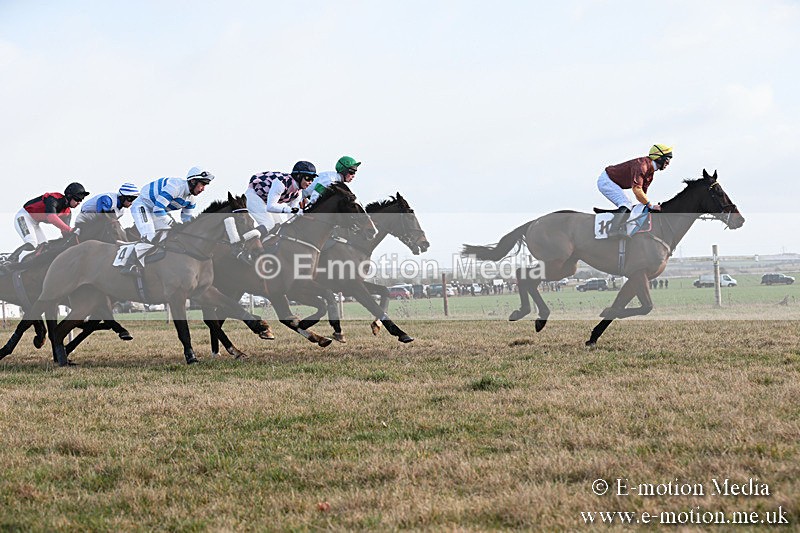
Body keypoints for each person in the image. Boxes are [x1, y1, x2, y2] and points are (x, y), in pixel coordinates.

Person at [123, 167, 213, 275]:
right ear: (193, 181)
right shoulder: (175, 187)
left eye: (205, 185)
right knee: (149, 235)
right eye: (202, 184)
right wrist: (172, 223)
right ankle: (129, 263)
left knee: (168, 234)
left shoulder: (191, 200)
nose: (203, 189)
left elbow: (186, 219)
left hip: (157, 211)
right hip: (143, 205)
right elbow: (158, 209)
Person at [5, 182, 90, 266]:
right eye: (77, 199)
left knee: (44, 247)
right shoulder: (53, 199)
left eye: (81, 200)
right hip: (23, 217)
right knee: (32, 243)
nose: (79, 202)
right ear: (69, 196)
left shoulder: (67, 213)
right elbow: (51, 217)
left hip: (34, 223)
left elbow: (65, 232)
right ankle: (8, 261)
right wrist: (70, 230)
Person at [597, 144, 673, 238]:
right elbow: (637, 190)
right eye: (667, 159)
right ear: (659, 158)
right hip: (607, 180)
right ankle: (613, 230)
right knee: (626, 202)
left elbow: (642, 195)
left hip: (613, 182)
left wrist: (648, 207)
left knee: (630, 204)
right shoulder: (642, 166)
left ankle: (619, 223)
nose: (668, 163)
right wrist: (651, 205)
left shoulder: (650, 173)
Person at [245, 161, 317, 236]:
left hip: (266, 200)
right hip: (254, 195)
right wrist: (293, 210)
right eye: (308, 178)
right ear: (298, 176)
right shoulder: (281, 183)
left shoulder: (298, 193)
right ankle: (244, 241)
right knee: (268, 224)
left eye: (312, 179)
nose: (310, 182)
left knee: (278, 226)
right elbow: (271, 207)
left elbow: (292, 215)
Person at [74, 182, 140, 225]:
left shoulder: (121, 212)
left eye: (134, 200)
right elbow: (102, 216)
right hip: (85, 218)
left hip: (98, 222)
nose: (132, 203)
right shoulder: (107, 199)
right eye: (130, 199)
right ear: (122, 197)